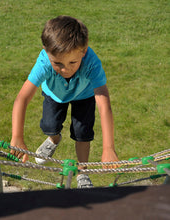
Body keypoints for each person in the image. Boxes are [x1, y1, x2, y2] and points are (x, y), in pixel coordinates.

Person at [10, 15, 119, 188]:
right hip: (54, 95)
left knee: (82, 133)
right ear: (46, 51)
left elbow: (104, 105)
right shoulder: (44, 61)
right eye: (57, 63)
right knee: (49, 125)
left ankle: (83, 172)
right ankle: (54, 140)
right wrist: (17, 136)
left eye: (72, 62)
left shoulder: (92, 63)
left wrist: (108, 148)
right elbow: (22, 98)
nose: (65, 69)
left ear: (84, 51)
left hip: (84, 95)